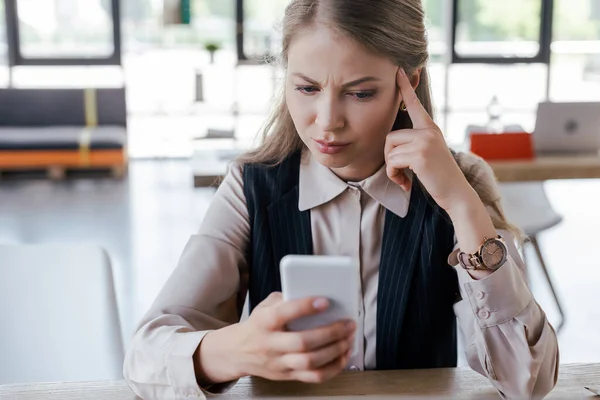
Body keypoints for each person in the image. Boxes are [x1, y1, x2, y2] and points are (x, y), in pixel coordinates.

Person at [123, 0, 559, 399]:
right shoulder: (250, 186)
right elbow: (145, 360)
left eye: (360, 93)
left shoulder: (461, 186)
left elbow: (529, 382)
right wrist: (236, 351)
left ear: (409, 82)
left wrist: (463, 208)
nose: (327, 123)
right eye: (307, 88)